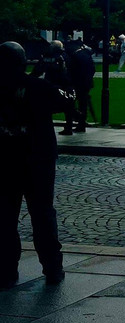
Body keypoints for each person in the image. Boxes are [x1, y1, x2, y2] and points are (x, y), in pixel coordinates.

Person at [1, 41, 74, 289]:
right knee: (42, 214)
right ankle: (52, 268)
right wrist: (62, 77)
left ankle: (6, 270)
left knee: (5, 217)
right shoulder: (38, 87)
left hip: (6, 160)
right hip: (38, 159)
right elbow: (67, 99)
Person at [33, 41, 77, 135]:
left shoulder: (49, 57)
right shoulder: (66, 56)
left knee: (47, 107)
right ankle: (69, 126)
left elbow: (38, 70)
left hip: (54, 85)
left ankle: (47, 127)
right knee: (68, 107)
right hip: (66, 85)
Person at [68, 41, 95, 131]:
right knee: (83, 104)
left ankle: (78, 120)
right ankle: (82, 122)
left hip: (78, 83)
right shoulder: (87, 55)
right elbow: (93, 69)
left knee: (72, 103)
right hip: (86, 83)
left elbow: (72, 70)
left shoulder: (75, 56)